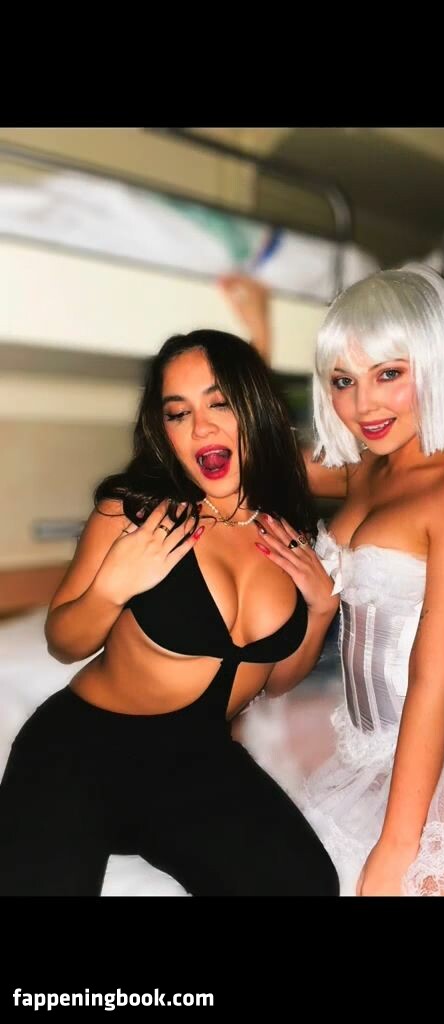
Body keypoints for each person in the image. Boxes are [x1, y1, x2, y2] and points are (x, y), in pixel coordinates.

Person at [224, 267, 444, 896]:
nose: (364, 406)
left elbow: (429, 677)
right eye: (343, 381)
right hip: (363, 744)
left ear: (438, 366)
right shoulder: (366, 469)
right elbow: (255, 456)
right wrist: (258, 339)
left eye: (389, 374)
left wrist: (395, 848)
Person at [0, 328, 340, 897]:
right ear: (164, 431)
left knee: (307, 885)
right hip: (82, 754)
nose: (200, 428)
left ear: (254, 410)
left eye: (219, 404)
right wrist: (111, 589)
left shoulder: (289, 531)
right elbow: (64, 642)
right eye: (178, 413)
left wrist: (321, 610)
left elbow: (276, 683)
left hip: (198, 764)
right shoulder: (136, 514)